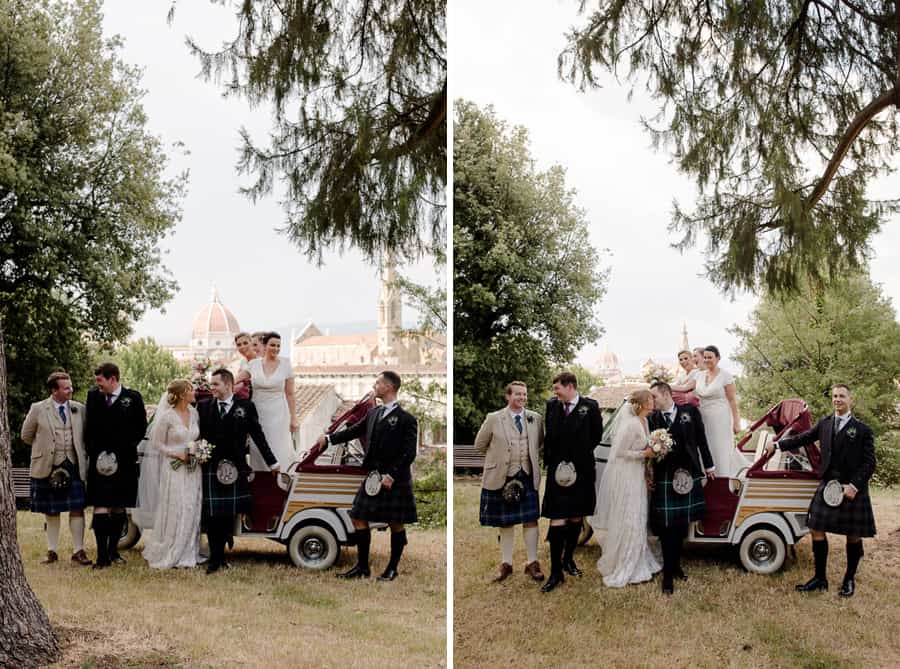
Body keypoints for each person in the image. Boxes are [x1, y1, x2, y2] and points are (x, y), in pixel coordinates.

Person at [765, 384, 876, 597]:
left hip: (851, 488)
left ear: (850, 400)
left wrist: (854, 486)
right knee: (816, 527)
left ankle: (848, 579)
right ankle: (819, 578)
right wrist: (778, 445)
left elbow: (870, 463)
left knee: (852, 535)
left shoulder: (862, 430)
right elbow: (803, 438)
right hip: (828, 485)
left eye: (842, 396)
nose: (837, 400)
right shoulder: (825, 423)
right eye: (834, 396)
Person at [316, 371, 418, 581]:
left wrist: (391, 475)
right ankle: (362, 567)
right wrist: (328, 439)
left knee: (395, 523)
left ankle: (392, 568)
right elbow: (353, 431)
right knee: (357, 516)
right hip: (373, 477)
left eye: (379, 382)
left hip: (394, 479)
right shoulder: (373, 413)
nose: (375, 384)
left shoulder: (407, 419)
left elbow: (409, 453)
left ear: (389, 387)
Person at [197, 368, 280, 573]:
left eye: (215, 384)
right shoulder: (204, 406)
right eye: (211, 384)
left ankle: (221, 557)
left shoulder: (246, 406)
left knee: (227, 515)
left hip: (236, 467)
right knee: (213, 516)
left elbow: (257, 435)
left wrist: (272, 462)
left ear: (228, 385)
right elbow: (196, 435)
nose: (212, 388)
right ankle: (215, 560)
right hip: (211, 467)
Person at [648, 382, 715, 594]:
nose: (652, 401)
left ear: (666, 394)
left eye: (654, 397)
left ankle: (675, 566)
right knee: (667, 528)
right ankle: (667, 577)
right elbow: (648, 449)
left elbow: (701, 440)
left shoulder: (690, 412)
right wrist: (648, 473)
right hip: (664, 475)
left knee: (680, 526)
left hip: (687, 473)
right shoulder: (652, 418)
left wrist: (709, 465)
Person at [474, 381, 545, 583]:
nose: (521, 398)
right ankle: (506, 563)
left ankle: (532, 563)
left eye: (524, 394)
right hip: (502, 476)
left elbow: (538, 443)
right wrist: (500, 457)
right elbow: (480, 444)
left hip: (527, 474)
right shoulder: (494, 418)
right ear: (508, 396)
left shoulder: (535, 418)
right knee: (506, 521)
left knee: (531, 520)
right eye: (517, 394)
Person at [591, 390, 662, 588]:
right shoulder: (630, 424)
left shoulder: (645, 422)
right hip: (627, 474)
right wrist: (645, 453)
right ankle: (624, 562)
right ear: (641, 404)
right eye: (650, 399)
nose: (653, 402)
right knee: (629, 515)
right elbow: (620, 452)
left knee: (639, 514)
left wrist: (652, 455)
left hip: (638, 473)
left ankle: (639, 558)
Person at [540, 371, 603, 593]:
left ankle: (568, 559)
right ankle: (555, 572)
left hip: (582, 469)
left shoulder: (591, 407)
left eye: (557, 388)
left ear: (570, 387)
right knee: (556, 519)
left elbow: (597, 436)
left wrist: (578, 457)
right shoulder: (552, 406)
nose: (555, 392)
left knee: (576, 516)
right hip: (558, 470)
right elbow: (549, 436)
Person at [21, 372, 92, 566]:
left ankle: (78, 551)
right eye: (66, 387)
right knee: (51, 510)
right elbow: (26, 435)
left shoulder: (79, 409)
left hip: (73, 463)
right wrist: (45, 448)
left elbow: (85, 435)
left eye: (70, 386)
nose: (71, 390)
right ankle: (51, 551)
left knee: (77, 508)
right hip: (47, 465)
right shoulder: (38, 409)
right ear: (54, 390)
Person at [84, 363, 147, 569]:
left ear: (113, 379)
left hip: (125, 460)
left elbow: (140, 428)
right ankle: (102, 557)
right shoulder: (93, 396)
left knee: (119, 506)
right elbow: (89, 427)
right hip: (99, 461)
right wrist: (96, 453)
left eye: (101, 381)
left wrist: (123, 450)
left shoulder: (133, 398)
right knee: (100, 505)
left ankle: (113, 552)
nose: (98, 385)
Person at [139, 380, 203, 569]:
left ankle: (188, 550)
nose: (194, 393)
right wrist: (177, 454)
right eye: (191, 390)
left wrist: (198, 451)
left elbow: (196, 438)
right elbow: (157, 444)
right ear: (183, 394)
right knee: (177, 505)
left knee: (191, 505)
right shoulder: (167, 417)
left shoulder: (194, 413)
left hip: (193, 468)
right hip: (174, 467)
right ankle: (171, 548)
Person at [674, 345, 746, 477]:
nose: (707, 360)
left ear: (718, 358)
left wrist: (737, 422)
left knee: (719, 448)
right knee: (705, 446)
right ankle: (707, 478)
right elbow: (684, 388)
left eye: (710, 357)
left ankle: (722, 478)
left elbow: (732, 401)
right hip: (703, 416)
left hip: (721, 417)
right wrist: (663, 386)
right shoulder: (699, 375)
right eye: (705, 357)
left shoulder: (726, 376)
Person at [245, 332, 296, 470]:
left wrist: (293, 419)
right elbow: (235, 381)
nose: (276, 348)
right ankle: (261, 483)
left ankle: (281, 481)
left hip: (279, 414)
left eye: (278, 346)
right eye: (272, 345)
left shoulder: (286, 364)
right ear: (265, 345)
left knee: (279, 448)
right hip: (258, 413)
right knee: (258, 447)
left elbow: (290, 394)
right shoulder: (253, 364)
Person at [233, 332, 256, 400]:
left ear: (252, 343)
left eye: (245, 343)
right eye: (239, 345)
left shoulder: (259, 361)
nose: (242, 347)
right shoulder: (243, 362)